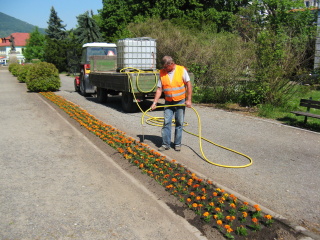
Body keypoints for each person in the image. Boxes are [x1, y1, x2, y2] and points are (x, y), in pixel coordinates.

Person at [151, 56, 192, 152]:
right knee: (166, 122)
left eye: (166, 67)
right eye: (164, 67)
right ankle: (165, 144)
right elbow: (159, 89)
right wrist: (154, 102)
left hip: (180, 101)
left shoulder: (181, 70)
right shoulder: (162, 73)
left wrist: (189, 99)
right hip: (168, 102)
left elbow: (188, 84)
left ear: (172, 64)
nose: (165, 69)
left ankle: (177, 144)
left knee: (179, 123)